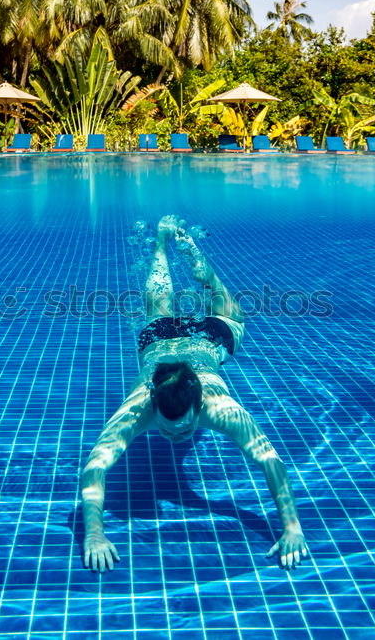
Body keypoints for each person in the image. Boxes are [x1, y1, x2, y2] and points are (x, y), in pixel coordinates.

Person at [80, 215, 307, 573]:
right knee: (158, 308)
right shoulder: (139, 407)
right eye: (170, 430)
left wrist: (292, 527)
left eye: (184, 430)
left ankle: (192, 261)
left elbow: (270, 461)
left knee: (232, 319)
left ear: (200, 405)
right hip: (167, 345)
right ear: (153, 403)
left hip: (208, 341)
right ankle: (162, 243)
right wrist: (94, 534)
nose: (176, 436)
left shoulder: (220, 408)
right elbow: (95, 467)